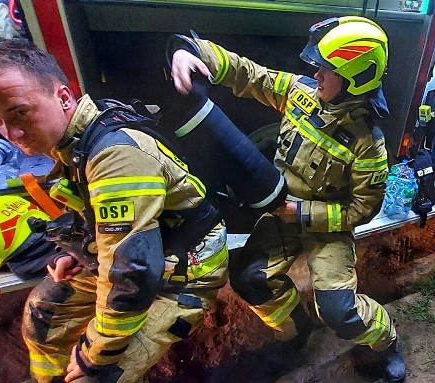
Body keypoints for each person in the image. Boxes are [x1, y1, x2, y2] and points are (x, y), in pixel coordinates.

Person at [0, 39, 229, 383]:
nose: (10, 133)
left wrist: (94, 352)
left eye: (19, 112)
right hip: (151, 252)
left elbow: (133, 274)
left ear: (62, 98)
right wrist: (82, 248)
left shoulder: (116, 158)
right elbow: (102, 217)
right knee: (44, 314)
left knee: (97, 375)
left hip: (182, 275)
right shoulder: (77, 136)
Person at [168, 16, 405, 381]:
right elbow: (249, 74)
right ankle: (296, 331)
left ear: (355, 79)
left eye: (327, 70)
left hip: (326, 226)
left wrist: (302, 213)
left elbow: (362, 209)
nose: (317, 75)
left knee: (339, 310)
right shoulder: (300, 91)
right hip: (281, 212)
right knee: (249, 277)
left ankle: (386, 341)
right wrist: (193, 51)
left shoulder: (368, 144)